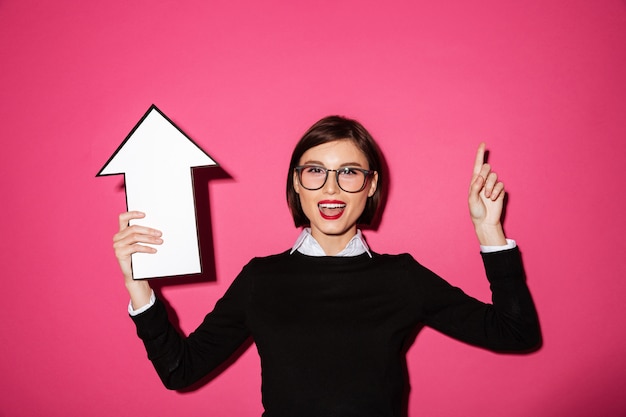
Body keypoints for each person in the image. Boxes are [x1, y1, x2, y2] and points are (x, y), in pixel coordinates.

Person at [113, 115, 541, 417]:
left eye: (349, 172)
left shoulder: (401, 279)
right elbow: (180, 370)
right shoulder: (262, 281)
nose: (331, 188)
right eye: (315, 171)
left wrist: (490, 233)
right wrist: (139, 289)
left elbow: (516, 333)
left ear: (370, 184)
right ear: (297, 183)